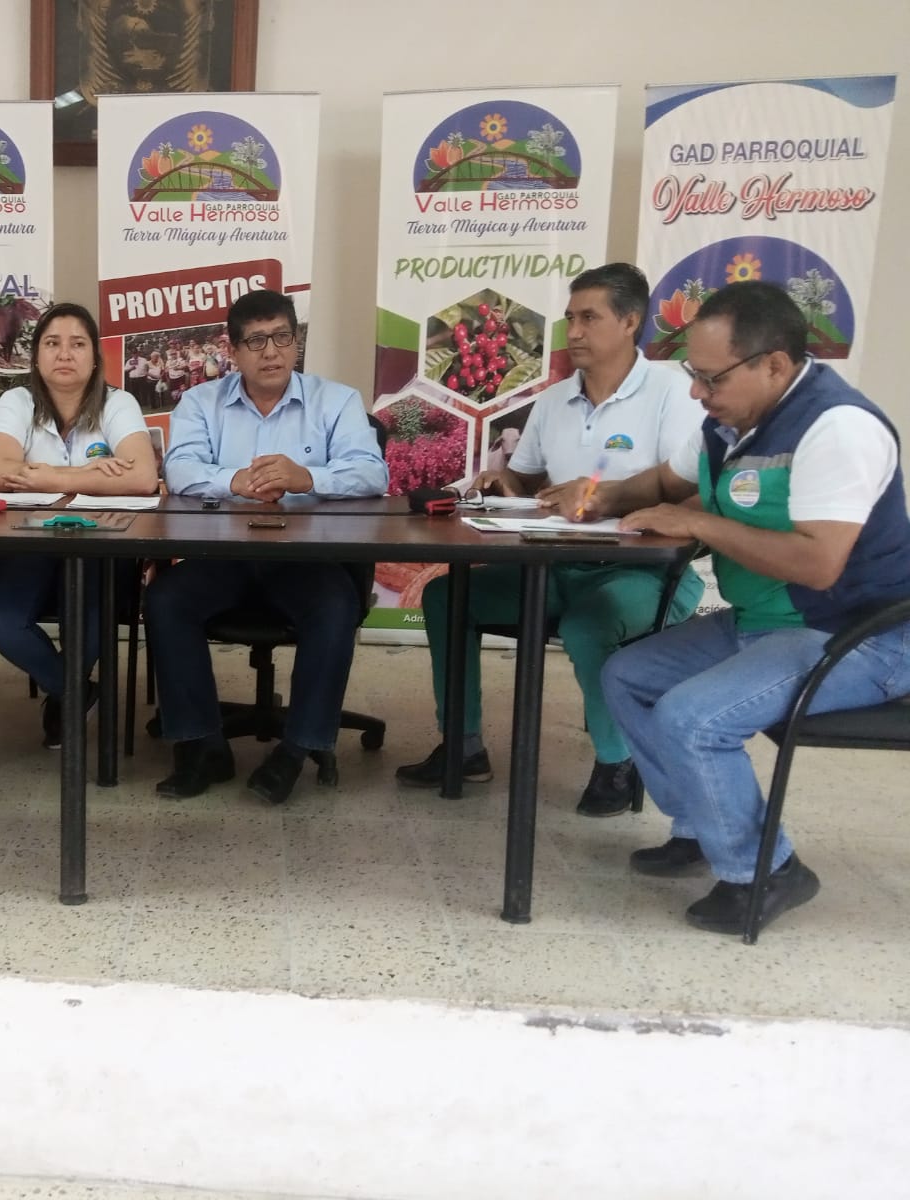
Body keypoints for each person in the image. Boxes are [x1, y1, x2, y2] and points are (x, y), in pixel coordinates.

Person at [562, 280, 910, 934]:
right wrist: (596, 495)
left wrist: (700, 524)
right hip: (769, 620)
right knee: (627, 676)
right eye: (692, 375)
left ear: (774, 364)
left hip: (855, 634)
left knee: (692, 717)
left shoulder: (838, 428)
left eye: (710, 377)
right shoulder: (729, 422)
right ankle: (700, 826)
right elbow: (668, 481)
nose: (697, 392)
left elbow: (818, 563)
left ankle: (767, 871)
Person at [394, 263, 706, 816]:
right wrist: (503, 483)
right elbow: (527, 482)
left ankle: (617, 762)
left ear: (630, 321)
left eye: (589, 318)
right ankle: (463, 747)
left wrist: (603, 497)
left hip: (647, 573)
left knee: (590, 625)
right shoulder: (554, 399)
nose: (574, 332)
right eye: (570, 319)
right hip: (555, 568)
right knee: (447, 597)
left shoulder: (674, 394)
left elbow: (688, 496)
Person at [147, 289, 388, 805]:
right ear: (233, 350)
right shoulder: (200, 402)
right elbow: (180, 468)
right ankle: (202, 745)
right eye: (256, 341)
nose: (272, 351)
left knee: (335, 606)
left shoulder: (336, 401)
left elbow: (372, 473)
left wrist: (308, 477)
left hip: (307, 558)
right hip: (223, 555)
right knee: (166, 600)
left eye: (282, 337)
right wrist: (234, 480)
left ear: (297, 341)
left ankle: (296, 751)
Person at [0, 302, 158, 748]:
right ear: (36, 355)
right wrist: (93, 476)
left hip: (103, 542)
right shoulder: (16, 402)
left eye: (77, 344)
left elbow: (141, 477)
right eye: (52, 343)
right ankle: (74, 690)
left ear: (95, 357)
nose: (64, 354)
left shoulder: (118, 403)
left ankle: (63, 697)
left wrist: (50, 477)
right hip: (28, 541)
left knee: (93, 616)